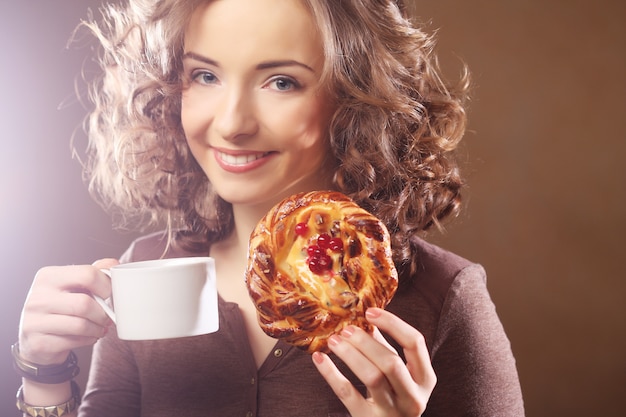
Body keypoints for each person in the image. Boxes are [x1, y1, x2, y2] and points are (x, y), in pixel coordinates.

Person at [13, 0, 525, 416]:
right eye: (205, 76)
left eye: (281, 81)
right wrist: (45, 374)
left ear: (353, 97)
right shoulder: (145, 276)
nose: (233, 123)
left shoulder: (441, 298)